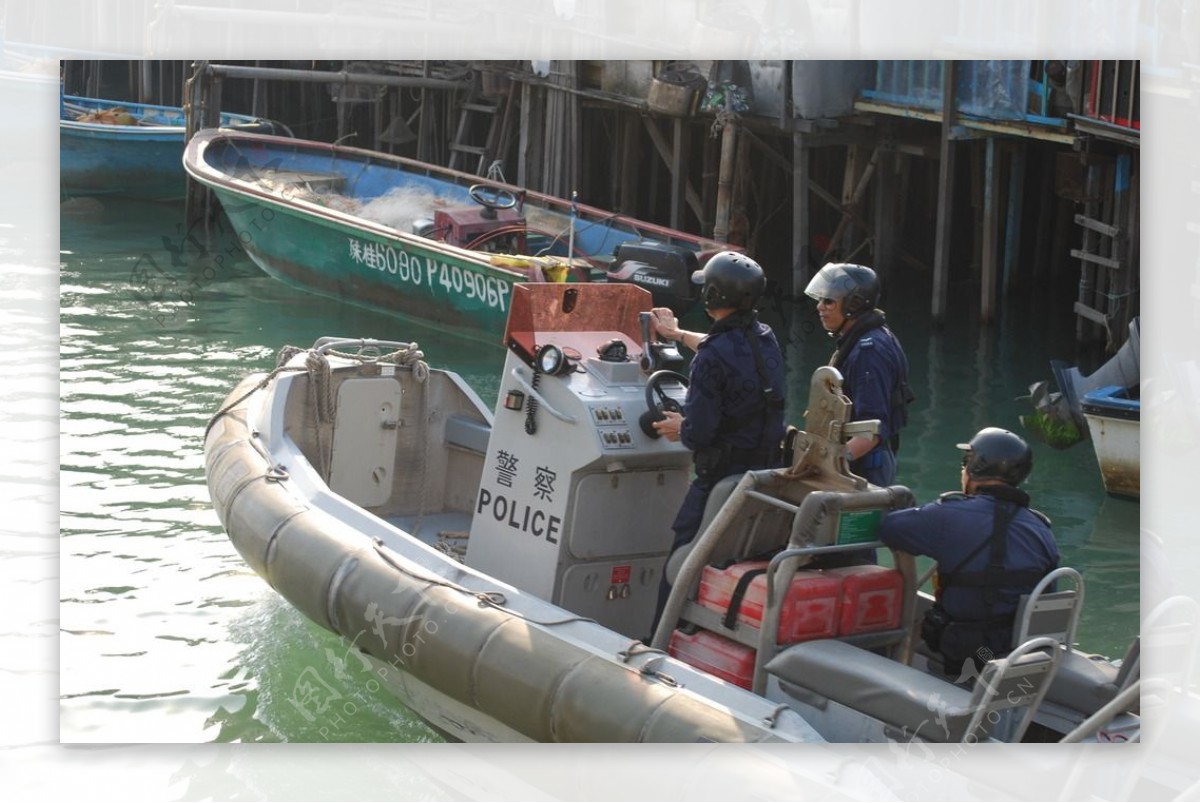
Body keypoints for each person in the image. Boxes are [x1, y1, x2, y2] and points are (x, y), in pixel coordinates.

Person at [648, 251, 787, 629]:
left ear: (711, 295)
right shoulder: (764, 337)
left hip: (717, 482)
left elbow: (699, 433)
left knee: (682, 559)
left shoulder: (711, 358)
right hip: (759, 480)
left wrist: (681, 426)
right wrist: (675, 335)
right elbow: (721, 349)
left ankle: (661, 636)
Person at [878, 427, 1060, 677]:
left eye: (965, 463)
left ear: (975, 467)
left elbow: (889, 527)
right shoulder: (1041, 529)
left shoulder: (950, 516)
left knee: (918, 631)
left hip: (968, 654)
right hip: (1015, 651)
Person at [804, 262, 913, 488]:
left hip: (866, 468)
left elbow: (871, 430)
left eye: (829, 301)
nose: (820, 307)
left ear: (853, 304)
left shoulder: (869, 352)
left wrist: (830, 464)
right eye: (820, 299)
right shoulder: (867, 338)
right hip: (863, 462)